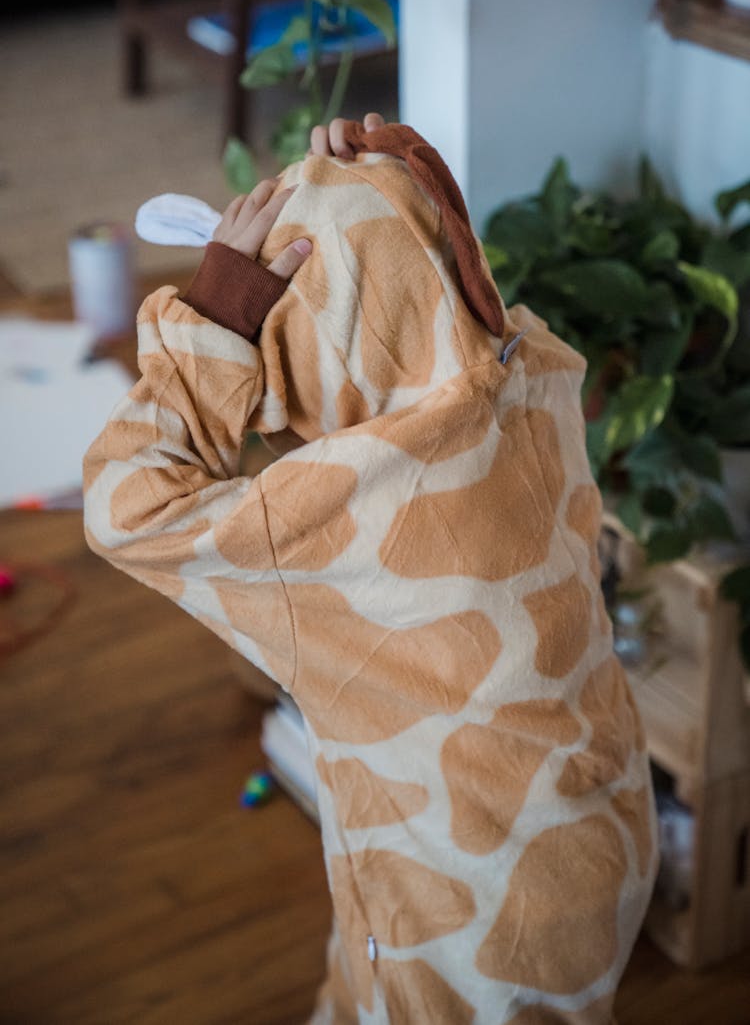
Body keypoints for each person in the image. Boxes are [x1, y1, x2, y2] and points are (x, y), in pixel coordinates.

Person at [83, 114, 658, 1024]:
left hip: (464, 907)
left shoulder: (335, 511)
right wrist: (392, 170)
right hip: (599, 833)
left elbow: (126, 507)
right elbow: (445, 275)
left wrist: (217, 316)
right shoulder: (535, 373)